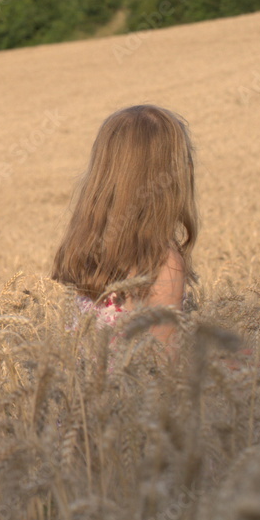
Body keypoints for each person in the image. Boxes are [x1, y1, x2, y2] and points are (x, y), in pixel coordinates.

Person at [50, 105, 197, 346]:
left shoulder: (89, 248)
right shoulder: (161, 262)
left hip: (85, 381)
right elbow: (163, 364)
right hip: (128, 383)